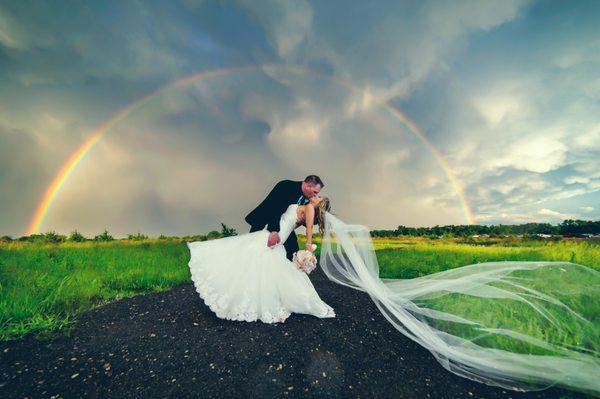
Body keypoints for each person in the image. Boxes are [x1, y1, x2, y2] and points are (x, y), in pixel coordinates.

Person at [187, 195, 334, 324]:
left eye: (320, 197)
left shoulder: (309, 207)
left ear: (320, 204)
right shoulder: (304, 204)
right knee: (255, 264)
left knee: (248, 258)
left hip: (274, 238)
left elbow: (309, 229)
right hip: (274, 236)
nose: (317, 196)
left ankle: (248, 300)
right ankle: (250, 299)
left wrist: (308, 248)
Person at [245, 175, 324, 261]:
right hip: (265, 224)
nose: (315, 195)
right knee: (252, 254)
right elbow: (274, 209)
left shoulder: (307, 200)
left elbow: (304, 221)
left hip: (284, 228)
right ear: (307, 186)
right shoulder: (286, 186)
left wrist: (319, 215)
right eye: (315, 192)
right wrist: (274, 231)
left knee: (293, 254)